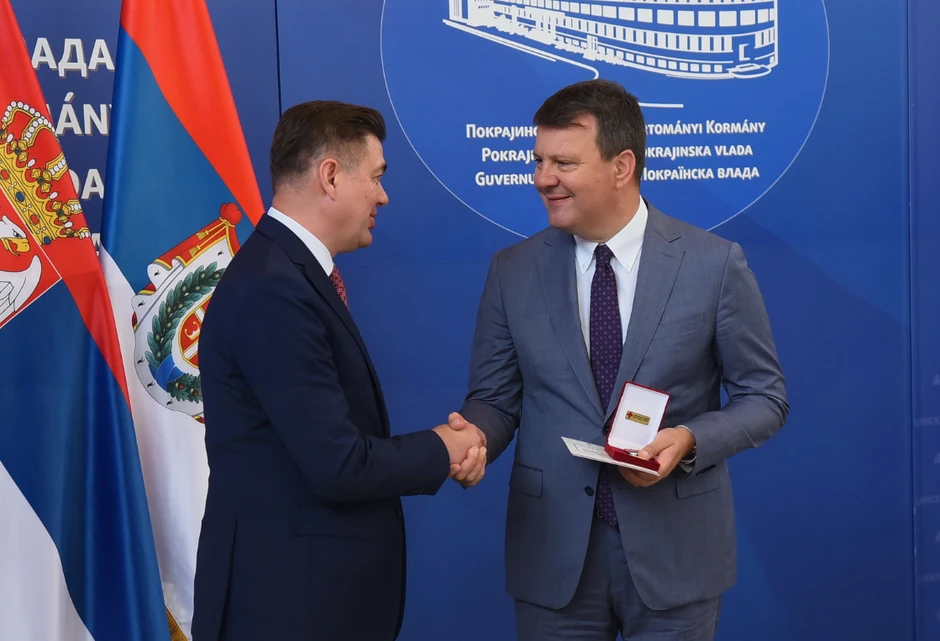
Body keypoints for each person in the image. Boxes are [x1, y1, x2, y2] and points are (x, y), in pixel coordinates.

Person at [457, 79, 789, 640]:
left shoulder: (713, 264)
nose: (542, 178)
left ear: (622, 166)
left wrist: (688, 440)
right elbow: (494, 399)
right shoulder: (511, 270)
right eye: (538, 161)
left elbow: (765, 398)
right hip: (553, 557)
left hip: (676, 557)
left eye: (563, 163)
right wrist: (473, 439)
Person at [191, 100, 487, 641]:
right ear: (330, 176)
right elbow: (339, 464)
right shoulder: (275, 288)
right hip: (287, 608)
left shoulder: (285, 273)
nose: (383, 196)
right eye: (376, 177)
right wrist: (443, 447)